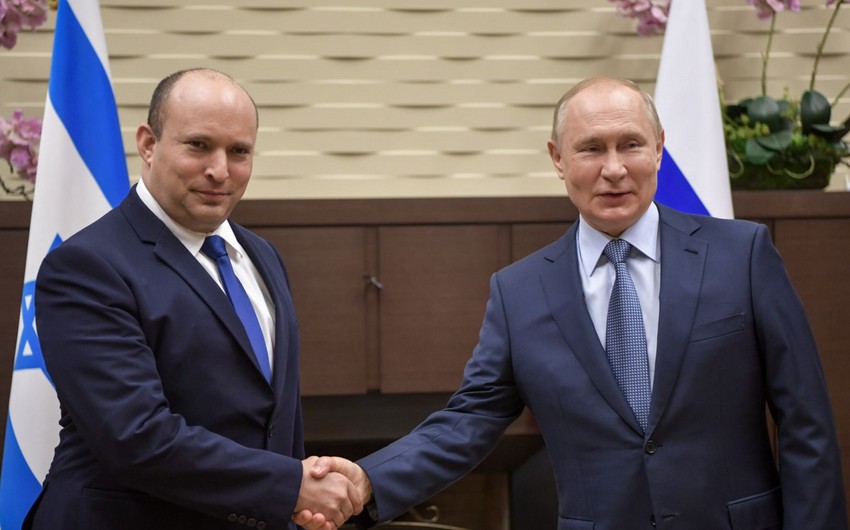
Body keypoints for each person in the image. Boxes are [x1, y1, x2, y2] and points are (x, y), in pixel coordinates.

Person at [297, 76, 848, 529]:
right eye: (591, 148)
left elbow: (806, 423)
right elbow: (468, 421)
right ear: (558, 158)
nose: (614, 168)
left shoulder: (742, 254)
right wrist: (367, 479)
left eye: (631, 144)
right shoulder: (519, 292)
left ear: (659, 148)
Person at [25, 68, 363, 530]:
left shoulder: (262, 255)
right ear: (148, 144)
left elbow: (275, 420)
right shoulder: (86, 266)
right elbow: (136, 437)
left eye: (239, 151)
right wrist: (290, 486)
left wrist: (295, 503)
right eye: (199, 145)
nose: (220, 170)